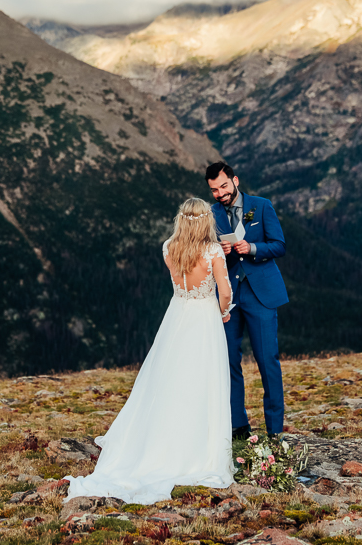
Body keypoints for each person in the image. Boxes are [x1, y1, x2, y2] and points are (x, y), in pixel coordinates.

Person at [64, 198, 235, 505]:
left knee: (168, 381)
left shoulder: (169, 247)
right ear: (205, 221)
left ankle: (159, 439)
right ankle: (197, 448)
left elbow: (180, 282)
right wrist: (224, 312)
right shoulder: (212, 251)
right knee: (203, 380)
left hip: (176, 316)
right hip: (204, 320)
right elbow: (224, 291)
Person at [205, 162, 288, 439]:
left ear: (235, 180)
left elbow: (279, 245)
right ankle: (238, 427)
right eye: (214, 190)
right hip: (228, 297)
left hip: (261, 296)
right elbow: (206, 255)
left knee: (267, 361)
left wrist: (252, 247)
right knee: (227, 359)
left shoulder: (261, 206)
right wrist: (221, 250)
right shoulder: (211, 214)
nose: (220, 193)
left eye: (224, 186)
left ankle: (275, 431)